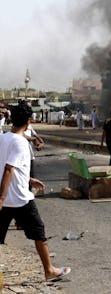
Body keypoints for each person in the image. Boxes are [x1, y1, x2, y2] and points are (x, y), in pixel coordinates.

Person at [0, 102, 71, 281]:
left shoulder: (2, 138)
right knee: (39, 233)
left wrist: (28, 179)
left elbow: (8, 167)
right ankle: (49, 270)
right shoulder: (22, 142)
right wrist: (2, 197)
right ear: (29, 121)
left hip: (6, 197)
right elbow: (9, 169)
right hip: (19, 199)